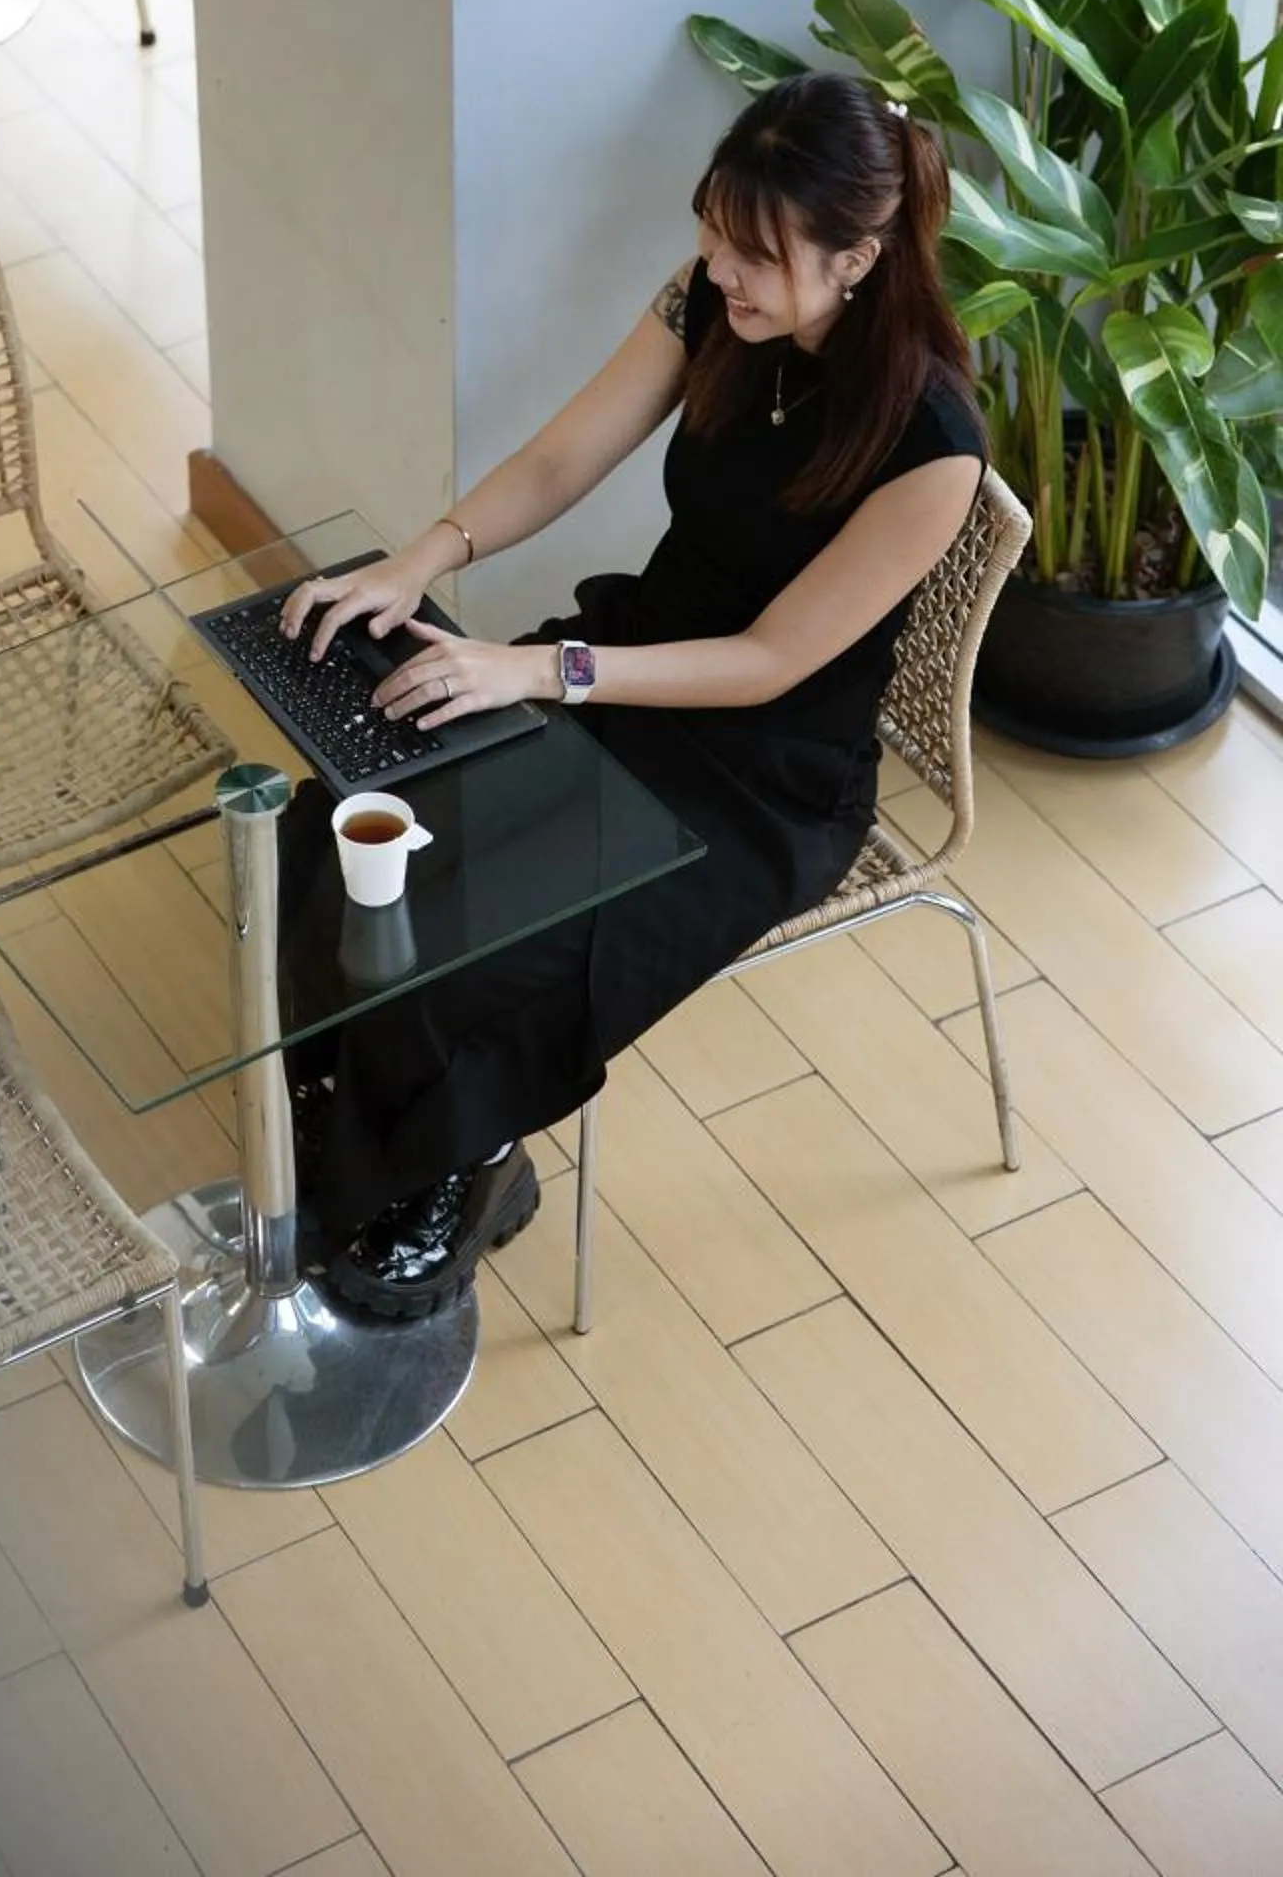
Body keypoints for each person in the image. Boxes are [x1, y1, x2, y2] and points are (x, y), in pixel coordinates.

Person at [277, 70, 985, 1321]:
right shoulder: (715, 304)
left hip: (761, 779)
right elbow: (560, 453)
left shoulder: (930, 450)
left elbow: (771, 661)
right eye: (712, 232)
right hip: (630, 664)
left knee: (483, 948)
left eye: (755, 255)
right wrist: (419, 560)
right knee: (332, 812)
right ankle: (345, 1100)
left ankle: (463, 1159)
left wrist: (536, 669)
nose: (719, 273)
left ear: (859, 258)